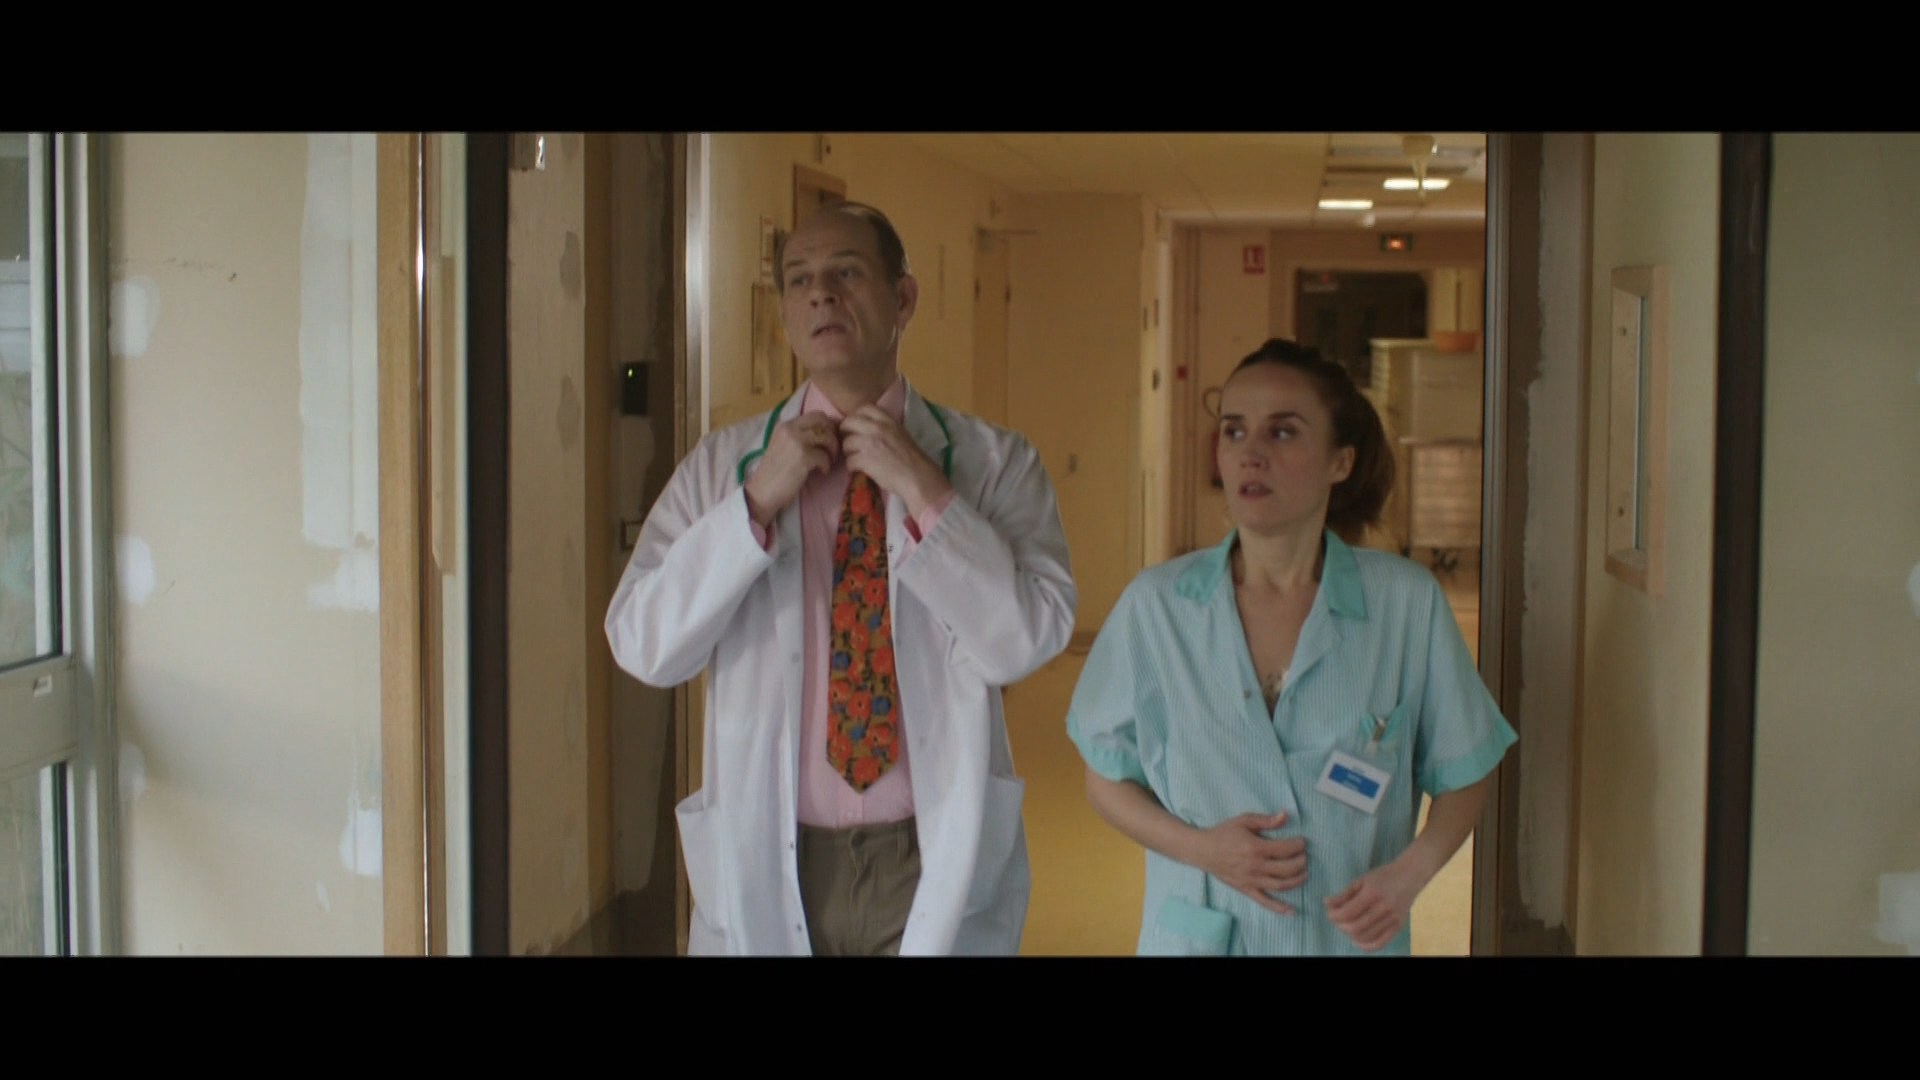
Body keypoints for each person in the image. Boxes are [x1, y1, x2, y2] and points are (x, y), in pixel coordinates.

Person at [605, 200, 1076, 956]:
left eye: (847, 273)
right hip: (778, 850)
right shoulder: (725, 469)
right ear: (785, 314)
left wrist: (925, 491)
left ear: (903, 299)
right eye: (799, 279)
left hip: (925, 849)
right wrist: (754, 506)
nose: (820, 294)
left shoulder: (994, 463)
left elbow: (1023, 640)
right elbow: (643, 644)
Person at [1066, 338, 1515, 955]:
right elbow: (1105, 779)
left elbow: (1466, 768)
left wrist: (1409, 875)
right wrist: (1205, 851)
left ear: (1340, 461)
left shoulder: (1404, 604)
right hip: (1205, 936)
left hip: (1345, 940)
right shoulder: (1158, 607)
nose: (1251, 454)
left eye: (1282, 432)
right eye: (1234, 431)